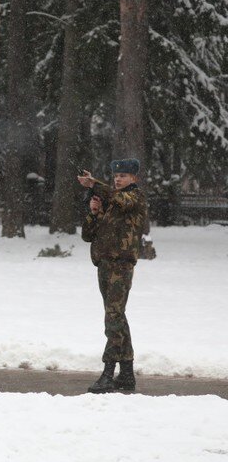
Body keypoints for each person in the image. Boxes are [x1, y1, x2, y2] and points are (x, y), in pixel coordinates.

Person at [78, 159, 149, 393]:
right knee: (117, 316)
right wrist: (95, 212)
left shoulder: (135, 197)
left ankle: (108, 373)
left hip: (121, 265)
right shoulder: (110, 200)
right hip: (105, 264)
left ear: (134, 179)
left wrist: (94, 184)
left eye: (124, 176)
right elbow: (88, 235)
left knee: (113, 317)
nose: (118, 179)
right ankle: (127, 374)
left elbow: (122, 200)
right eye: (117, 176)